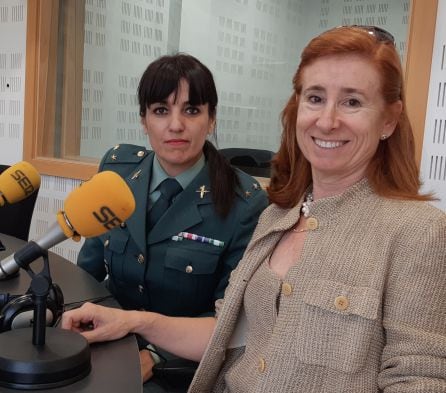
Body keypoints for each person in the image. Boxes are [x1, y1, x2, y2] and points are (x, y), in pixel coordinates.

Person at [62, 26, 446, 392]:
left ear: (389, 120)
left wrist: (151, 354)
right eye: (315, 98)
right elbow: (231, 332)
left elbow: (420, 377)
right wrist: (133, 322)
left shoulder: (416, 231)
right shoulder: (278, 217)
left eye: (352, 101)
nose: (327, 121)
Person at [76, 53, 268, 388]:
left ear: (211, 120)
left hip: (179, 366)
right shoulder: (117, 170)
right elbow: (87, 273)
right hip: (105, 344)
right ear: (143, 119)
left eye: (191, 110)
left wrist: (155, 355)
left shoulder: (244, 203)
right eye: (161, 110)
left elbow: (233, 319)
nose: (175, 125)